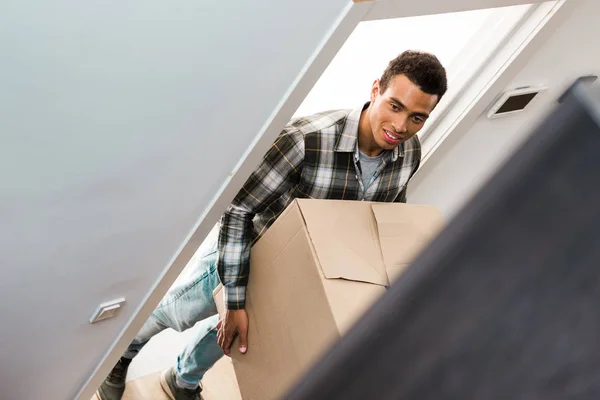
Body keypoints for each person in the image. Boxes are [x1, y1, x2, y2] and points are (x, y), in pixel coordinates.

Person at [95, 50, 448, 400]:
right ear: (375, 90)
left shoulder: (409, 154)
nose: (401, 127)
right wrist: (234, 301)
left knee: (236, 339)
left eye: (417, 118)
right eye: (395, 106)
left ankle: (181, 380)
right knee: (178, 313)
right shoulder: (307, 140)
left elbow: (386, 216)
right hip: (247, 250)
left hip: (296, 272)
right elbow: (237, 213)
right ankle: (118, 355)